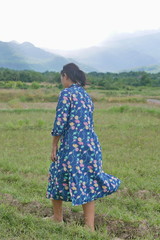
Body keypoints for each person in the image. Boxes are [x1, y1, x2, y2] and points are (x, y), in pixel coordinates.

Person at [44, 63, 121, 231]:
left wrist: (54, 145)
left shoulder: (66, 94)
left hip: (72, 145)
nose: (61, 81)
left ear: (65, 76)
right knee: (87, 180)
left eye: (61, 77)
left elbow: (60, 122)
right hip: (91, 144)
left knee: (57, 176)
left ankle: (57, 218)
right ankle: (89, 227)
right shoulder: (86, 95)